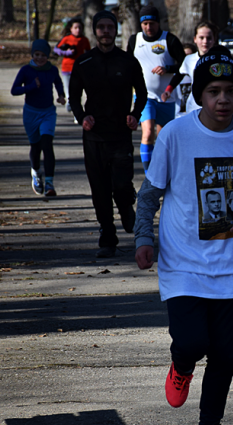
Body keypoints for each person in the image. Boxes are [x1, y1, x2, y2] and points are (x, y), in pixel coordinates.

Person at [134, 46, 233, 425]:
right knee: (192, 341)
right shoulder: (177, 134)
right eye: (214, 91)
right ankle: (181, 364)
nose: (222, 99)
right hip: (183, 262)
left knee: (226, 355)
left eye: (230, 91)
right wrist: (143, 238)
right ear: (199, 95)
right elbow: (149, 195)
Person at [69, 10, 147, 258]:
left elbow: (142, 93)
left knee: (122, 185)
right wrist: (83, 117)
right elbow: (73, 97)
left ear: (116, 30)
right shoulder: (83, 62)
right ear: (95, 31)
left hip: (121, 134)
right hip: (94, 137)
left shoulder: (128, 61)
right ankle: (107, 236)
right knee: (100, 189)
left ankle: (126, 206)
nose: (105, 31)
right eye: (101, 27)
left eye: (109, 27)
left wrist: (135, 114)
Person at [127, 5, 186, 171]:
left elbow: (184, 67)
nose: (148, 27)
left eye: (152, 23)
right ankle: (149, 175)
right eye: (145, 24)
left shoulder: (170, 40)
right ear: (140, 24)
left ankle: (161, 172)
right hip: (145, 96)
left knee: (162, 139)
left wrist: (168, 68)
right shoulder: (134, 40)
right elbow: (127, 66)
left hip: (167, 98)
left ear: (158, 23)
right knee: (147, 134)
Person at [10, 39, 66, 197]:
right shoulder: (26, 70)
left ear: (48, 56)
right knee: (36, 146)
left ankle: (49, 183)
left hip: (48, 112)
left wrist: (61, 95)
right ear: (32, 55)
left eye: (43, 55)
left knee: (47, 144)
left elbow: (58, 83)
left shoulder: (52, 70)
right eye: (37, 54)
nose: (40, 58)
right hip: (31, 113)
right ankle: (35, 173)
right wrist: (31, 87)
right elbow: (14, 90)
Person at [161, 21, 219, 118]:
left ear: (214, 40)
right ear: (195, 39)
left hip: (213, 105)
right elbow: (179, 74)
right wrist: (168, 90)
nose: (205, 41)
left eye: (209, 38)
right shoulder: (189, 59)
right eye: (201, 38)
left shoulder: (219, 60)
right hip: (194, 106)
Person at [54, 17, 91, 116]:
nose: (78, 30)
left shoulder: (84, 40)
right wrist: (66, 52)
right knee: (68, 88)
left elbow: (88, 52)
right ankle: (70, 103)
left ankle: (76, 108)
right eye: (75, 27)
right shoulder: (66, 39)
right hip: (67, 68)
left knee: (78, 88)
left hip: (79, 69)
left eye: (79, 27)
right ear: (71, 29)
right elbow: (56, 50)